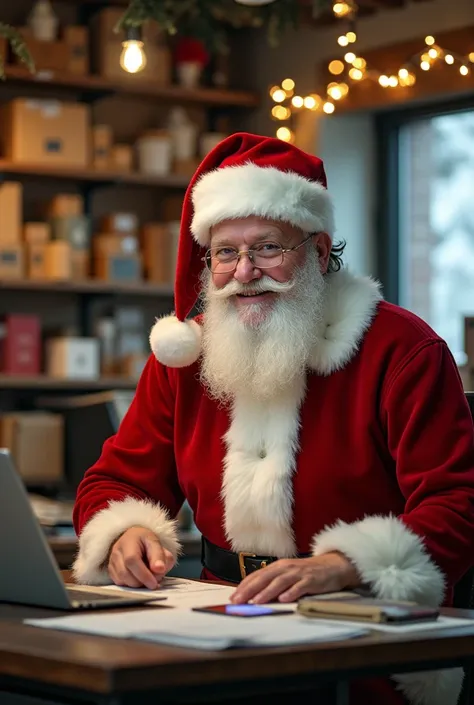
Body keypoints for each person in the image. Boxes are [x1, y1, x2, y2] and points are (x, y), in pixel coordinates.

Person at [73, 132, 474, 705]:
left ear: (317, 249)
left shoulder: (401, 350)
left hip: (364, 637)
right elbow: (114, 482)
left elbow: (459, 504)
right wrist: (125, 534)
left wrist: (344, 565)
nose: (243, 272)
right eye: (226, 253)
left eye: (267, 247)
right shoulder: (187, 359)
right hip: (212, 627)